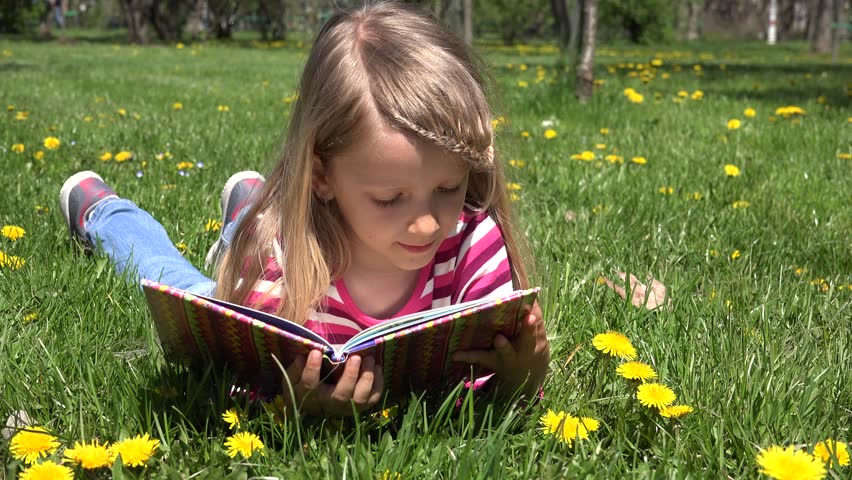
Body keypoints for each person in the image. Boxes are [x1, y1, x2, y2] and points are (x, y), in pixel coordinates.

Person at [59, 1, 549, 418]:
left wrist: (524, 378)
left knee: (256, 230)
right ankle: (108, 214)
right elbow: (233, 378)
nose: (428, 223)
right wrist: (292, 403)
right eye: (388, 198)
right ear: (321, 176)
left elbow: (484, 384)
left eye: (448, 186)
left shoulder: (472, 244)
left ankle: (250, 205)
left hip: (288, 222)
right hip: (279, 246)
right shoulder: (280, 262)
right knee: (181, 281)